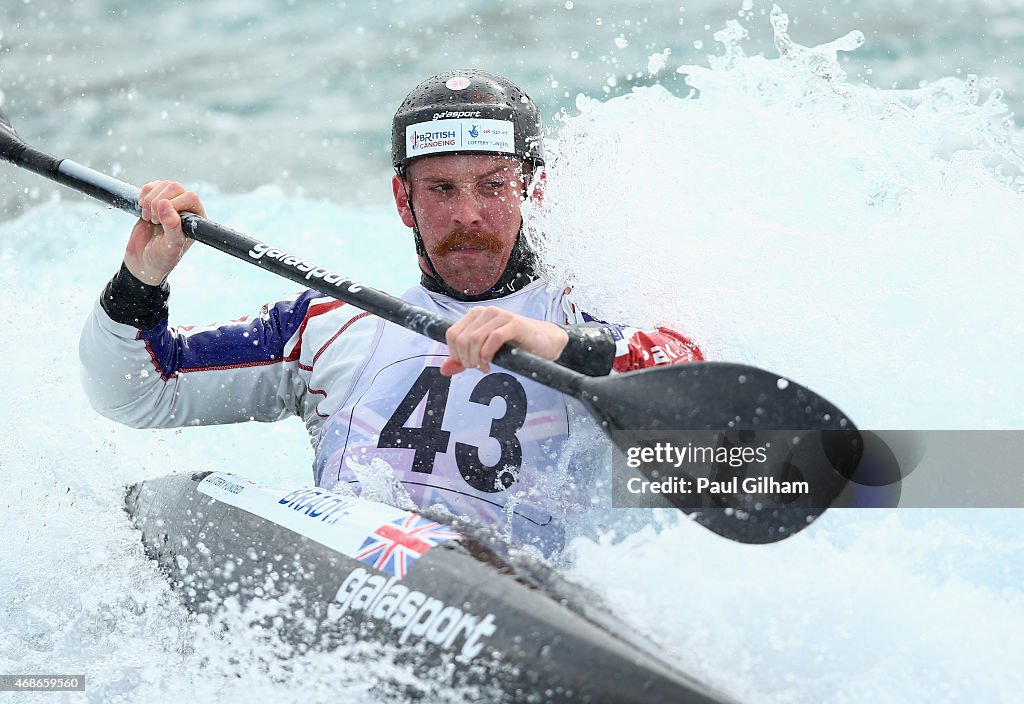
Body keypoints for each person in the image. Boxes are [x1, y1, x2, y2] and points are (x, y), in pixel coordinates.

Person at [80, 70, 703, 554]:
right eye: (440, 189)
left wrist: (552, 343)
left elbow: (701, 383)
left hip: (514, 602)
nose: (467, 215)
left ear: (532, 194)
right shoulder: (327, 326)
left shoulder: (585, 322)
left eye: (492, 185)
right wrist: (145, 275)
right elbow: (137, 394)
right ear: (404, 201)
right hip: (353, 571)